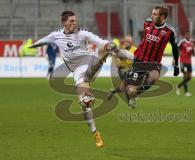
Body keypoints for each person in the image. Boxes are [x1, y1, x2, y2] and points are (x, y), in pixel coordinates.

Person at [29, 11, 123, 148]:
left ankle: (127, 62)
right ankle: (95, 132)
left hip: (90, 61)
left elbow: (99, 41)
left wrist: (109, 45)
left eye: (75, 20)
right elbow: (44, 41)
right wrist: (34, 45)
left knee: (105, 48)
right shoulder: (56, 35)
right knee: (84, 104)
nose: (75, 23)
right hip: (79, 71)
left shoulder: (82, 33)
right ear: (64, 22)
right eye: (72, 21)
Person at [124, 6, 180, 108]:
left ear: (162, 17)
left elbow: (175, 49)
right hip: (139, 61)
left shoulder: (170, 31)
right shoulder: (147, 22)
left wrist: (176, 65)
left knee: (153, 77)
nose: (151, 16)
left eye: (154, 14)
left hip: (154, 63)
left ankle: (137, 93)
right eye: (152, 13)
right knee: (130, 91)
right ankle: (133, 93)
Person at [107, 35, 136, 100]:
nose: (127, 43)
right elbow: (115, 53)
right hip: (122, 68)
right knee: (127, 84)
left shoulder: (135, 49)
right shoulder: (121, 48)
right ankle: (130, 102)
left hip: (130, 69)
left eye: (129, 41)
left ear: (132, 42)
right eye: (126, 41)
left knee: (122, 88)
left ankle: (113, 91)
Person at [176, 32, 195, 96]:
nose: (188, 36)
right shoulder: (182, 42)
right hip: (183, 62)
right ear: (185, 36)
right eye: (187, 35)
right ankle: (186, 92)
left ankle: (178, 86)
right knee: (185, 76)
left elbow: (193, 51)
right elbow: (177, 50)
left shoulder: (192, 42)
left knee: (190, 77)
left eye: (189, 35)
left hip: (189, 62)